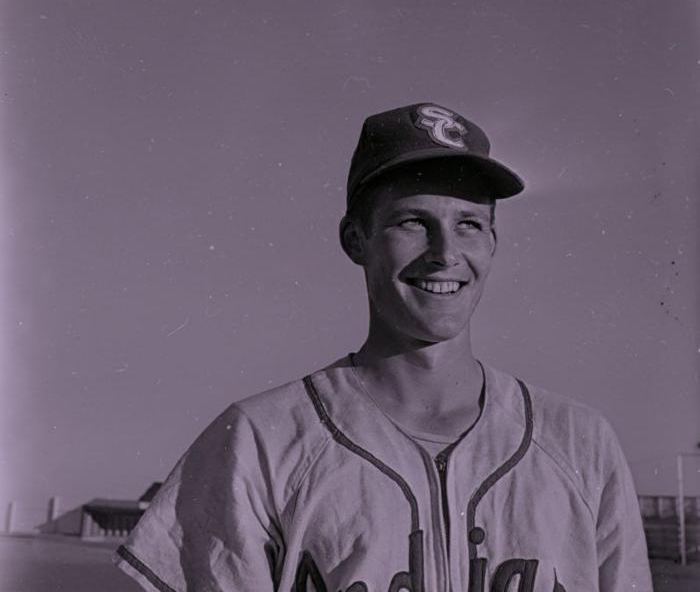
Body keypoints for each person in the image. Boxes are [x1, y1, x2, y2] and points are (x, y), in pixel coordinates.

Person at [114, 103, 652, 592]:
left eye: (469, 224)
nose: (446, 254)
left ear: (492, 242)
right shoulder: (258, 441)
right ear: (356, 239)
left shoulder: (581, 444)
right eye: (412, 222)